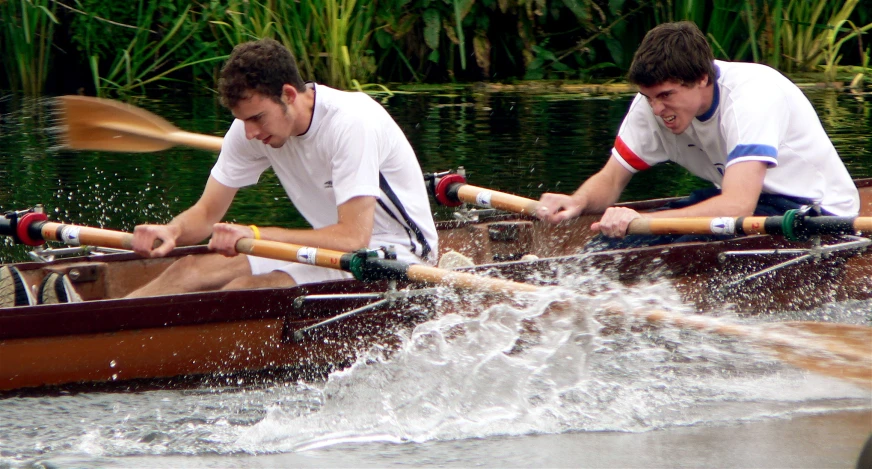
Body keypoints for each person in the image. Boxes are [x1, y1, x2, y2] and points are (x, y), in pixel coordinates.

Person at [6, 38, 438, 304]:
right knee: (187, 270)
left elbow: (352, 238)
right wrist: (171, 232)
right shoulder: (250, 128)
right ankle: (88, 323)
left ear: (289, 94)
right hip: (334, 251)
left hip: (395, 256)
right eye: (243, 121)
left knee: (242, 292)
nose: (249, 133)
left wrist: (254, 235)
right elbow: (206, 214)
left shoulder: (352, 122)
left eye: (258, 119)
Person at [536, 21, 860, 246]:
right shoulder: (650, 104)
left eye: (666, 96)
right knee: (609, 245)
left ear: (702, 78)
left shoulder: (753, 94)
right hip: (749, 204)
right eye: (649, 98)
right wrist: (577, 201)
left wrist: (645, 220)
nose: (656, 109)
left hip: (815, 213)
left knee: (681, 247)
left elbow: (737, 206)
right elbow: (610, 180)